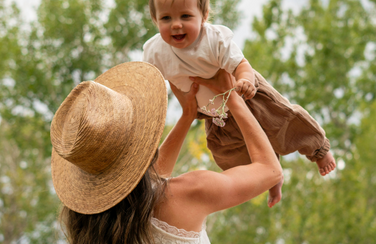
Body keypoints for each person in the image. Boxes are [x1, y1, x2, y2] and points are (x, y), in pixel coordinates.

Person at [51, 62, 282, 243]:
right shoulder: (192, 191)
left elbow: (148, 181)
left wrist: (187, 116)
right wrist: (230, 96)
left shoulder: (92, 230)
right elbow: (270, 170)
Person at [143, 0, 336, 207]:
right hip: (214, 113)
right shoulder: (155, 52)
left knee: (282, 124)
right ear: (155, 20)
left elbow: (241, 64)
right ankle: (269, 177)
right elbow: (149, 82)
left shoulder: (214, 39)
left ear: (204, 16)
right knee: (229, 153)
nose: (176, 25)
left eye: (185, 17)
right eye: (166, 18)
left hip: (246, 94)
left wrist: (245, 81)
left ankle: (318, 150)